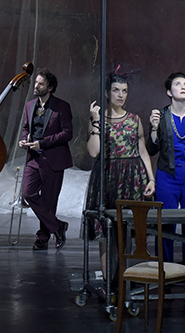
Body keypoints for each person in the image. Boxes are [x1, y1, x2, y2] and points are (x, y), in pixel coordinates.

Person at [83, 73, 156, 273]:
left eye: (124, 91)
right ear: (107, 93)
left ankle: (124, 278)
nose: (120, 95)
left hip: (132, 178)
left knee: (127, 229)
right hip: (107, 178)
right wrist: (96, 122)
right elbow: (94, 151)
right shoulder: (99, 119)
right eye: (116, 90)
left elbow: (142, 151)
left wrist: (151, 179)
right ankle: (109, 282)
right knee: (105, 231)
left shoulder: (134, 119)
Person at [146, 71, 185, 266]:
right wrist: (154, 128)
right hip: (167, 176)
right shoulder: (161, 116)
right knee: (165, 224)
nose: (183, 87)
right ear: (169, 92)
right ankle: (164, 270)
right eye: (177, 84)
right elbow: (151, 149)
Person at [19, 68, 73, 250]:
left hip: (53, 159)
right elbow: (26, 128)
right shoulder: (29, 106)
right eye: (36, 82)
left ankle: (42, 238)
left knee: (49, 202)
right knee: (27, 194)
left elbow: (67, 133)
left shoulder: (62, 106)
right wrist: (25, 139)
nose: (36, 86)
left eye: (40, 84)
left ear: (50, 88)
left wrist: (42, 143)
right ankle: (58, 226)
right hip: (34, 158)